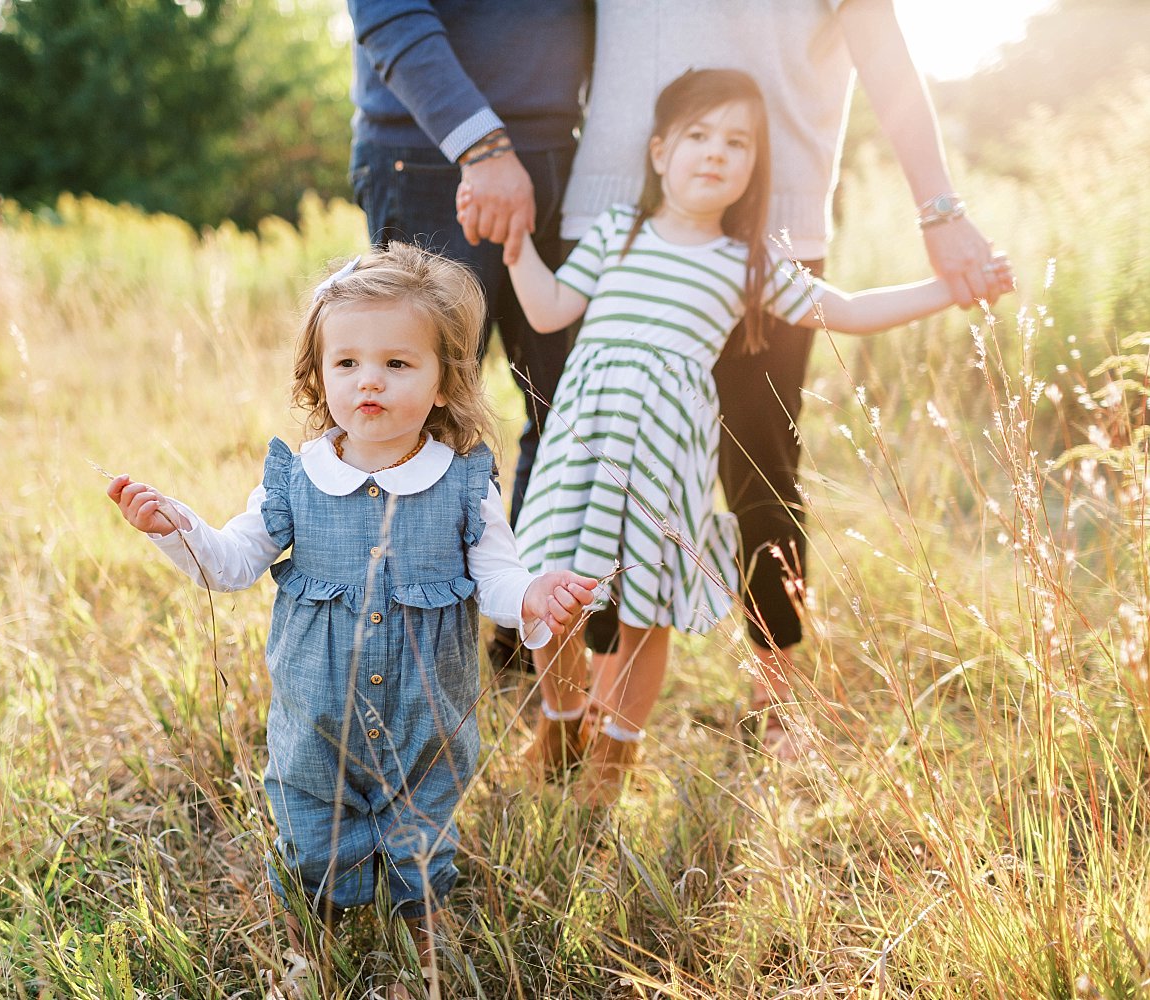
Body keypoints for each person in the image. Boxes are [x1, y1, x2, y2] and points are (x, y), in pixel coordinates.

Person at [496, 69, 1010, 805]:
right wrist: (517, 250)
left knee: (643, 610)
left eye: (737, 143)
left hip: (663, 457)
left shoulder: (748, 264)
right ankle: (562, 717)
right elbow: (548, 312)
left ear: (752, 168)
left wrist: (952, 288)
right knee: (556, 596)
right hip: (584, 444)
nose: (716, 153)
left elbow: (850, 309)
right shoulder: (619, 230)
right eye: (699, 136)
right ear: (659, 151)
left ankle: (615, 755)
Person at [106, 243, 598, 992]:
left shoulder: (463, 483)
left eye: (399, 364)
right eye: (348, 364)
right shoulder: (300, 477)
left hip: (426, 725)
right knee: (310, 841)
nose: (370, 379)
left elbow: (498, 574)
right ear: (319, 376)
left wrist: (533, 596)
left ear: (443, 383)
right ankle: (309, 959)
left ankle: (431, 959)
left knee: (422, 844)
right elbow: (234, 561)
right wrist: (176, 527)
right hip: (317, 725)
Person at [345, 2, 592, 674]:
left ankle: (527, 641)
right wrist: (481, 147)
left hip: (568, 152)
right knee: (416, 414)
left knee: (568, 407)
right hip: (434, 152)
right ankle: (403, 651)